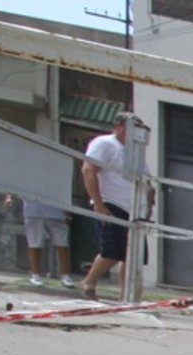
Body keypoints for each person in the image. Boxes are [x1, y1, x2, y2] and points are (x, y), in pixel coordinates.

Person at [79, 112, 154, 301]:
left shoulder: (135, 153)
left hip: (135, 210)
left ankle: (126, 295)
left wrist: (149, 206)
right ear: (120, 127)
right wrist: (98, 203)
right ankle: (89, 282)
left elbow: (147, 181)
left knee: (133, 254)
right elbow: (88, 170)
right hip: (111, 203)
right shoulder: (104, 144)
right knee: (112, 250)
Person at [3, 194, 74, 287]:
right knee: (35, 244)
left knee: (63, 244)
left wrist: (67, 209)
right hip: (33, 209)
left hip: (55, 210)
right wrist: (9, 197)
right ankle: (35, 275)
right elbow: (16, 181)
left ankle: (65, 275)